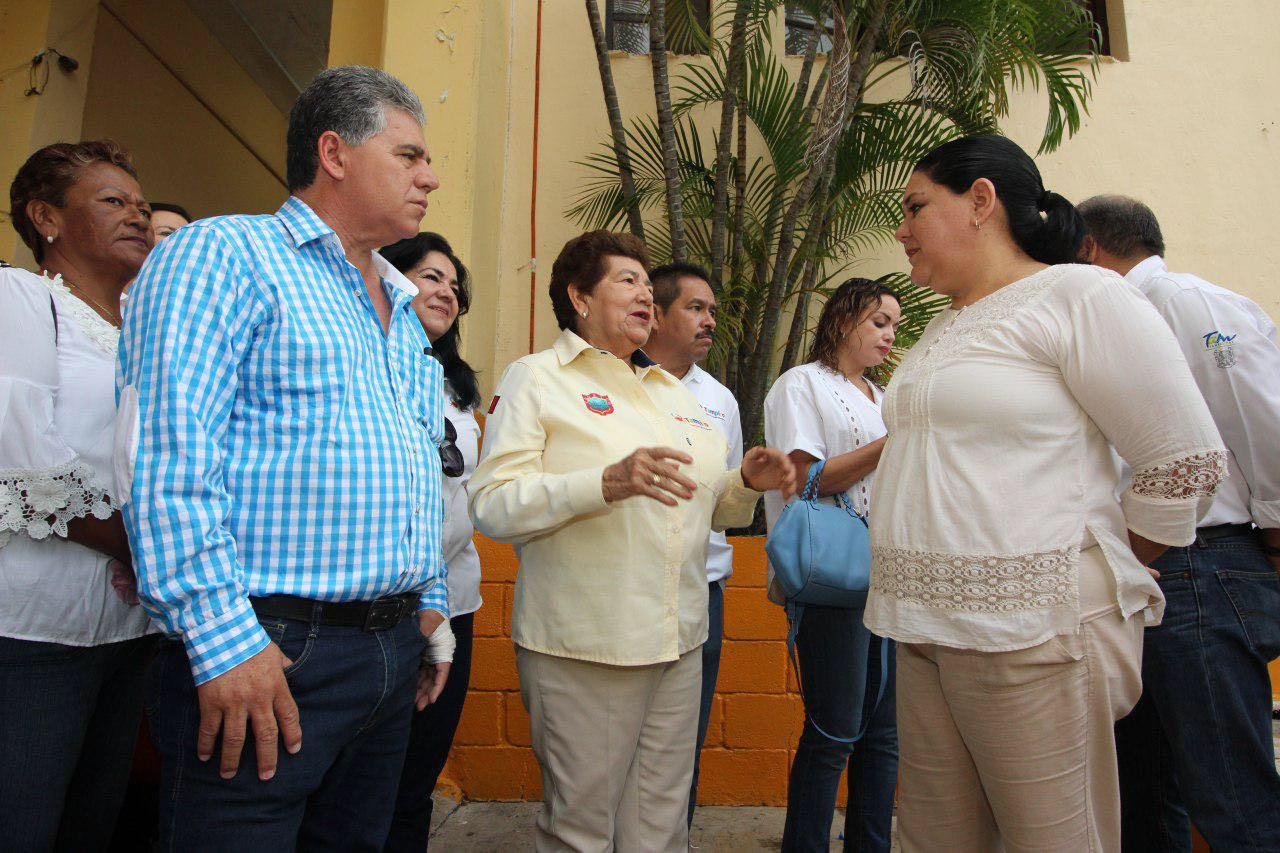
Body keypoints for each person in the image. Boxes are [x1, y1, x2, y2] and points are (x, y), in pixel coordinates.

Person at [116, 66, 451, 849]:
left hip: (388, 653)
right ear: (334, 153)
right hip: (267, 648)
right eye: (408, 156)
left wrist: (427, 604)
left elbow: (413, 464)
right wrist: (223, 641)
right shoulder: (223, 255)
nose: (430, 176)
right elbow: (162, 458)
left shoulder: (400, 308)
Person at [869, 134, 1226, 852]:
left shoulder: (1081, 295)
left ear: (981, 201)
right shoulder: (944, 325)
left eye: (915, 208)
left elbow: (1182, 457)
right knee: (935, 840)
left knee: (1054, 839)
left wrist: (1108, 562)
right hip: (923, 627)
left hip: (1032, 633)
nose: (901, 230)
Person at [468, 230, 796, 852]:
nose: (645, 293)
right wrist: (605, 483)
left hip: (678, 640)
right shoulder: (538, 378)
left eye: (648, 283)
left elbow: (705, 507)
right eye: (627, 281)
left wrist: (744, 484)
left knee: (659, 827)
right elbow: (493, 504)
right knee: (580, 829)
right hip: (587, 644)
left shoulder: (673, 392)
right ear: (579, 297)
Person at [1079, 194, 1280, 852]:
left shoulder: (1187, 303)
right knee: (1142, 792)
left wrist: (1276, 536)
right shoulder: (1111, 319)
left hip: (1201, 562)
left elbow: (1265, 418)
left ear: (1089, 249)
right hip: (1139, 571)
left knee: (1231, 796)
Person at [0, 140, 156, 849]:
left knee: (92, 827)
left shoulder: (143, 334)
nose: (139, 216)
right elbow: (24, 466)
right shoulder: (24, 300)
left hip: (129, 632)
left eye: (142, 205)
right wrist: (149, 547)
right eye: (113, 201)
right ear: (46, 218)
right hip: (35, 632)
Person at [763, 278, 901, 852]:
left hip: (889, 575)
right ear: (843, 320)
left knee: (884, 737)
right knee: (834, 731)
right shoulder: (802, 384)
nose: (889, 335)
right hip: (833, 575)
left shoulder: (883, 396)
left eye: (894, 325)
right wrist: (896, 440)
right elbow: (805, 479)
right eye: (878, 321)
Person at [382, 232, 483, 852]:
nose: (446, 291)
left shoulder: (458, 388)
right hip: (386, 605)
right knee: (365, 784)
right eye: (430, 276)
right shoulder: (365, 367)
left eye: (454, 284)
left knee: (416, 776)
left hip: (455, 600)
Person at [641, 261, 743, 827]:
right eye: (696, 308)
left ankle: (674, 834)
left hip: (702, 587)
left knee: (685, 737)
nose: (710, 321)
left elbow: (724, 501)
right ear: (655, 314)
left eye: (712, 311)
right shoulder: (611, 385)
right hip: (629, 585)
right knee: (621, 738)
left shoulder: (720, 400)